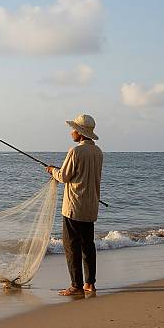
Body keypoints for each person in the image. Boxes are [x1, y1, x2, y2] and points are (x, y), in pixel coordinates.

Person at [46, 114, 103, 297]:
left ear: (80, 132)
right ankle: (90, 284)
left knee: (71, 246)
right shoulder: (98, 152)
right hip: (90, 206)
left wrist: (52, 170)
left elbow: (64, 177)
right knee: (88, 245)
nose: (72, 132)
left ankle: (75, 285)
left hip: (74, 208)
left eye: (74, 129)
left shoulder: (75, 152)